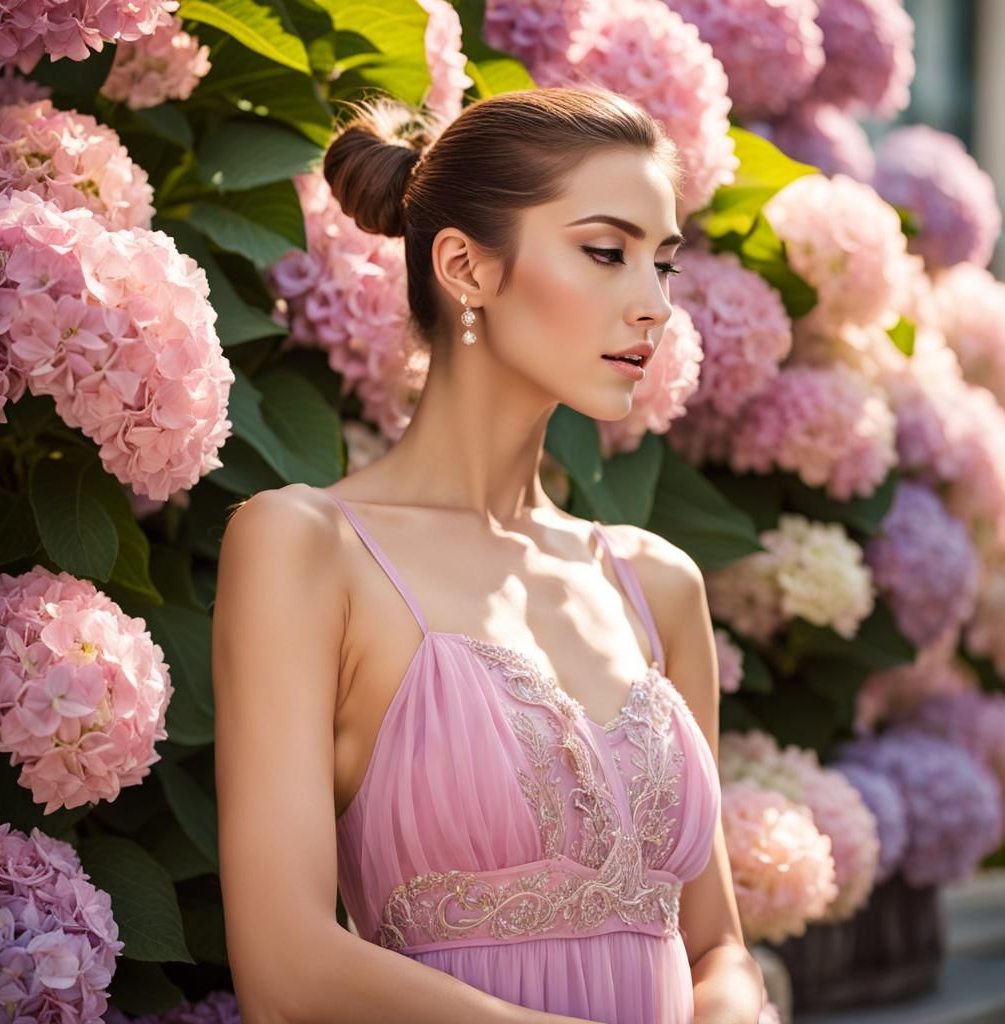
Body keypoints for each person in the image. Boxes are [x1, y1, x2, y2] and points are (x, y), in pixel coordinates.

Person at [212, 86, 766, 1024]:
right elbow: (284, 968)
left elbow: (717, 943)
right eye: (607, 253)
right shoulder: (308, 549)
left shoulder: (656, 583)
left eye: (664, 264)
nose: (655, 306)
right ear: (465, 266)